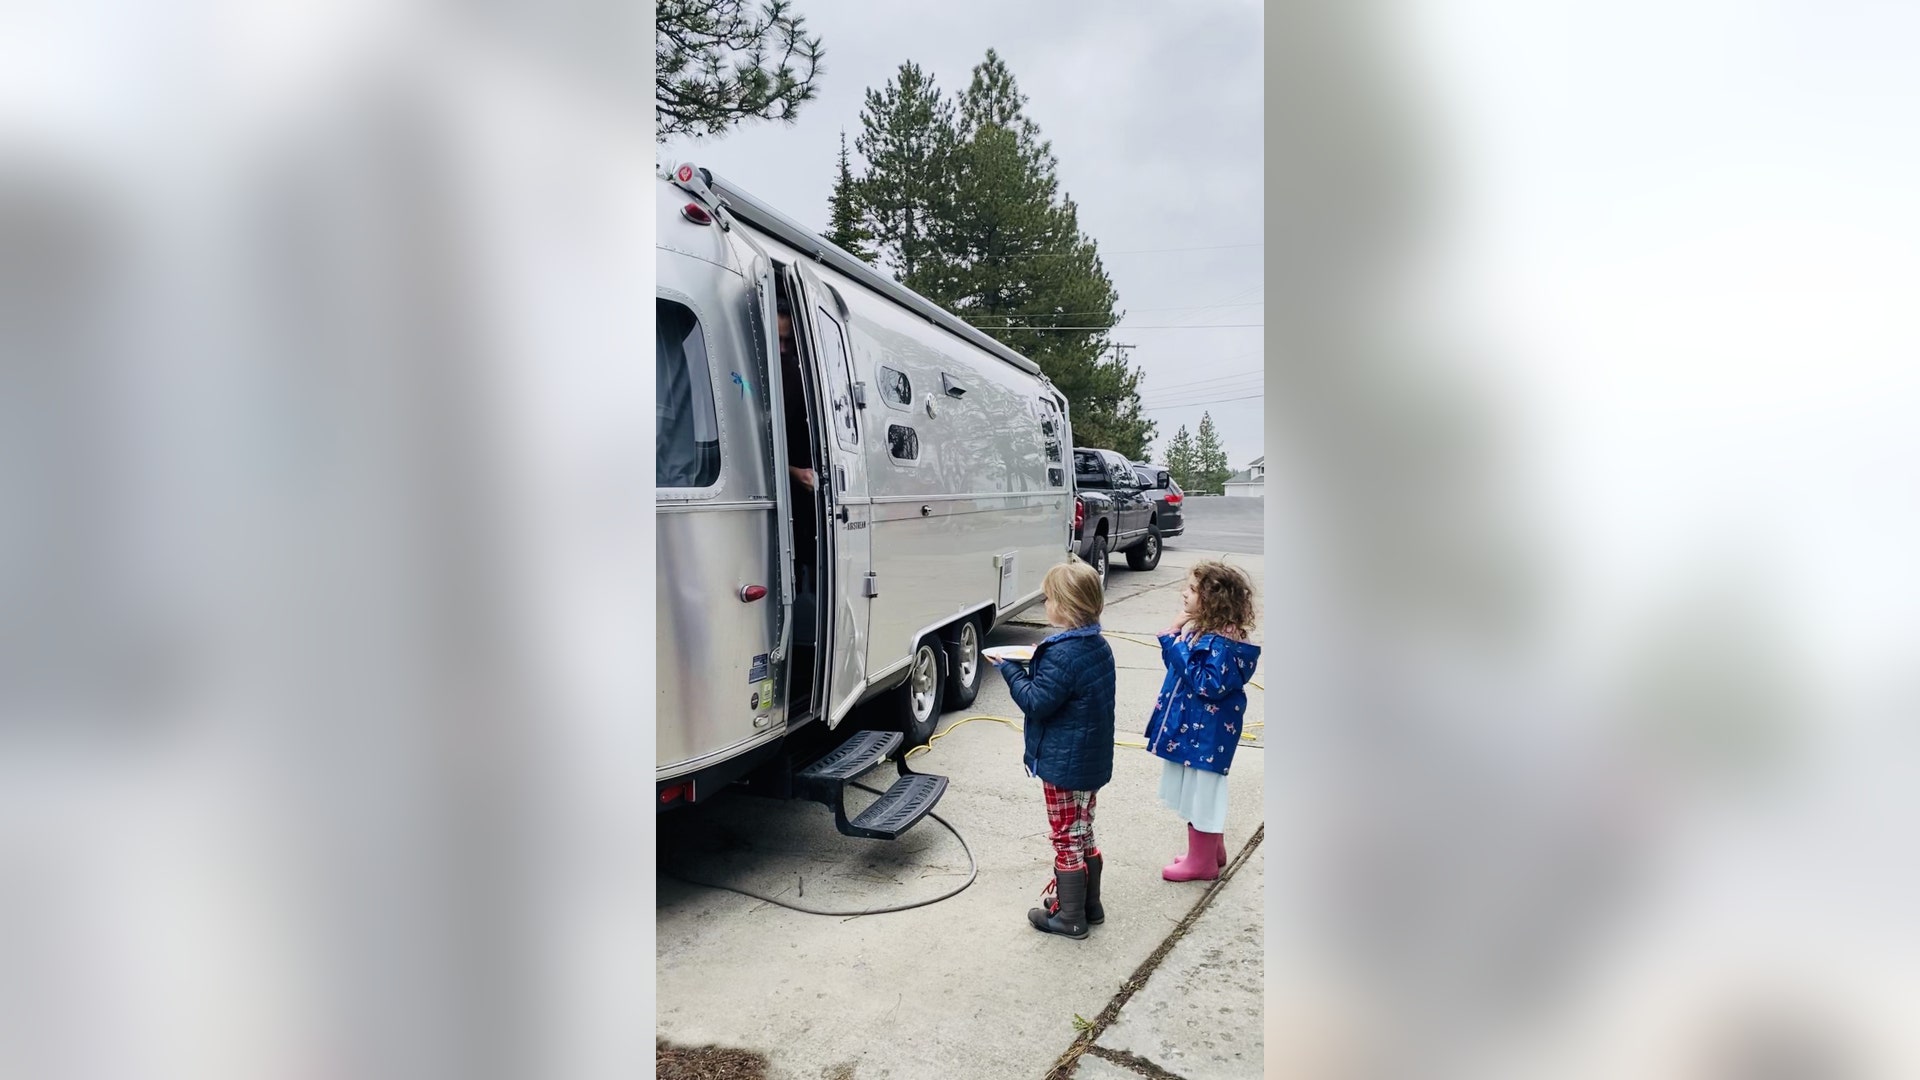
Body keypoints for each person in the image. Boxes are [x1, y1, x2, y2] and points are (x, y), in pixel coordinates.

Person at [987, 558, 1116, 938]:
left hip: (1066, 763)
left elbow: (1036, 702)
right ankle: (1088, 904)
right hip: (1088, 760)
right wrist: (1040, 659)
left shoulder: (1063, 654)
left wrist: (1008, 667)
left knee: (1065, 837)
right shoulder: (1096, 645)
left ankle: (1070, 917)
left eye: (1049, 598)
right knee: (1082, 830)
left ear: (1065, 606)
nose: (1046, 604)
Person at [1146, 560, 1261, 882]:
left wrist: (1173, 640)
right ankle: (1211, 851)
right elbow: (1180, 667)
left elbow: (1207, 685)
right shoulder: (1206, 633)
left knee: (1203, 794)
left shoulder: (1222, 643)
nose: (1184, 593)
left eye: (1193, 589)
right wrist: (1176, 634)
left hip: (1205, 735)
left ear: (1213, 599)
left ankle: (1202, 862)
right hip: (1197, 730)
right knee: (1198, 791)